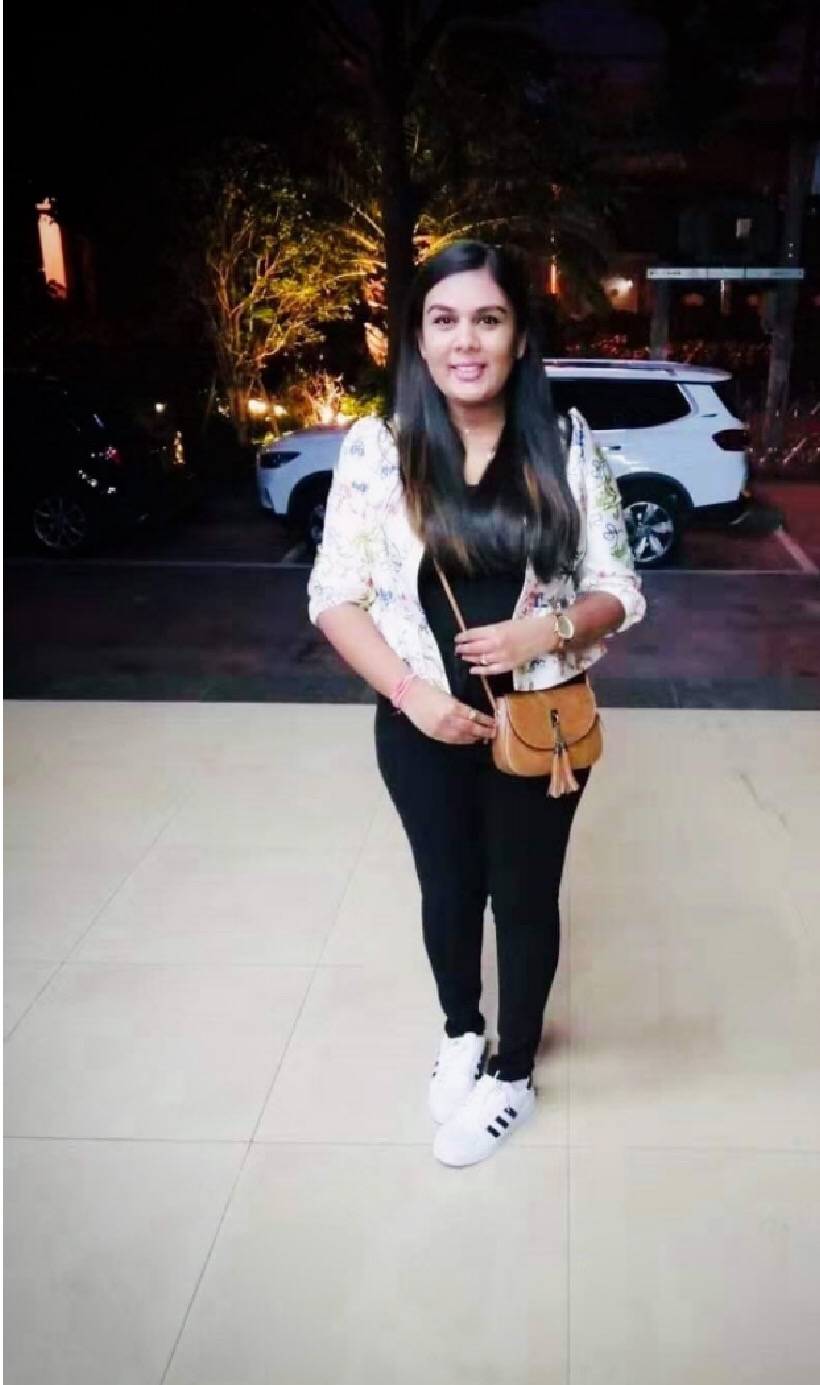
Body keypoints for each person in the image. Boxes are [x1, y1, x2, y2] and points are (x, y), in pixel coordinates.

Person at [308, 241, 645, 1169]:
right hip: (419, 724)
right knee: (448, 887)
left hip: (538, 725)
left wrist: (547, 631)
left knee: (523, 898)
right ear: (418, 339)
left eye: (488, 319)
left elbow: (621, 587)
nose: (466, 341)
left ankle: (514, 1070)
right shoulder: (377, 450)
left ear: (519, 336)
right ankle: (461, 1027)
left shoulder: (566, 445)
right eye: (444, 320)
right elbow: (333, 595)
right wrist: (411, 695)